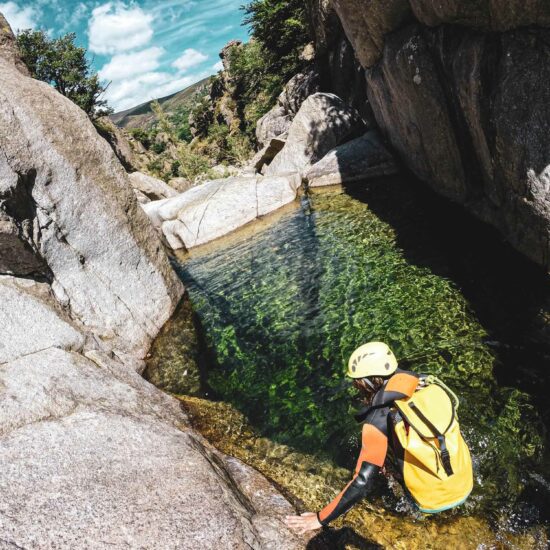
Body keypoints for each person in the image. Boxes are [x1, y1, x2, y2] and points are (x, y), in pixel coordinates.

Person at [285, 341, 472, 534]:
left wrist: (319, 519)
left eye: (357, 382)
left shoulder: (377, 419)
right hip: (465, 481)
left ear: (367, 381)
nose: (355, 386)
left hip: (430, 500)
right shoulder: (426, 382)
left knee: (380, 470)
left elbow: (362, 483)